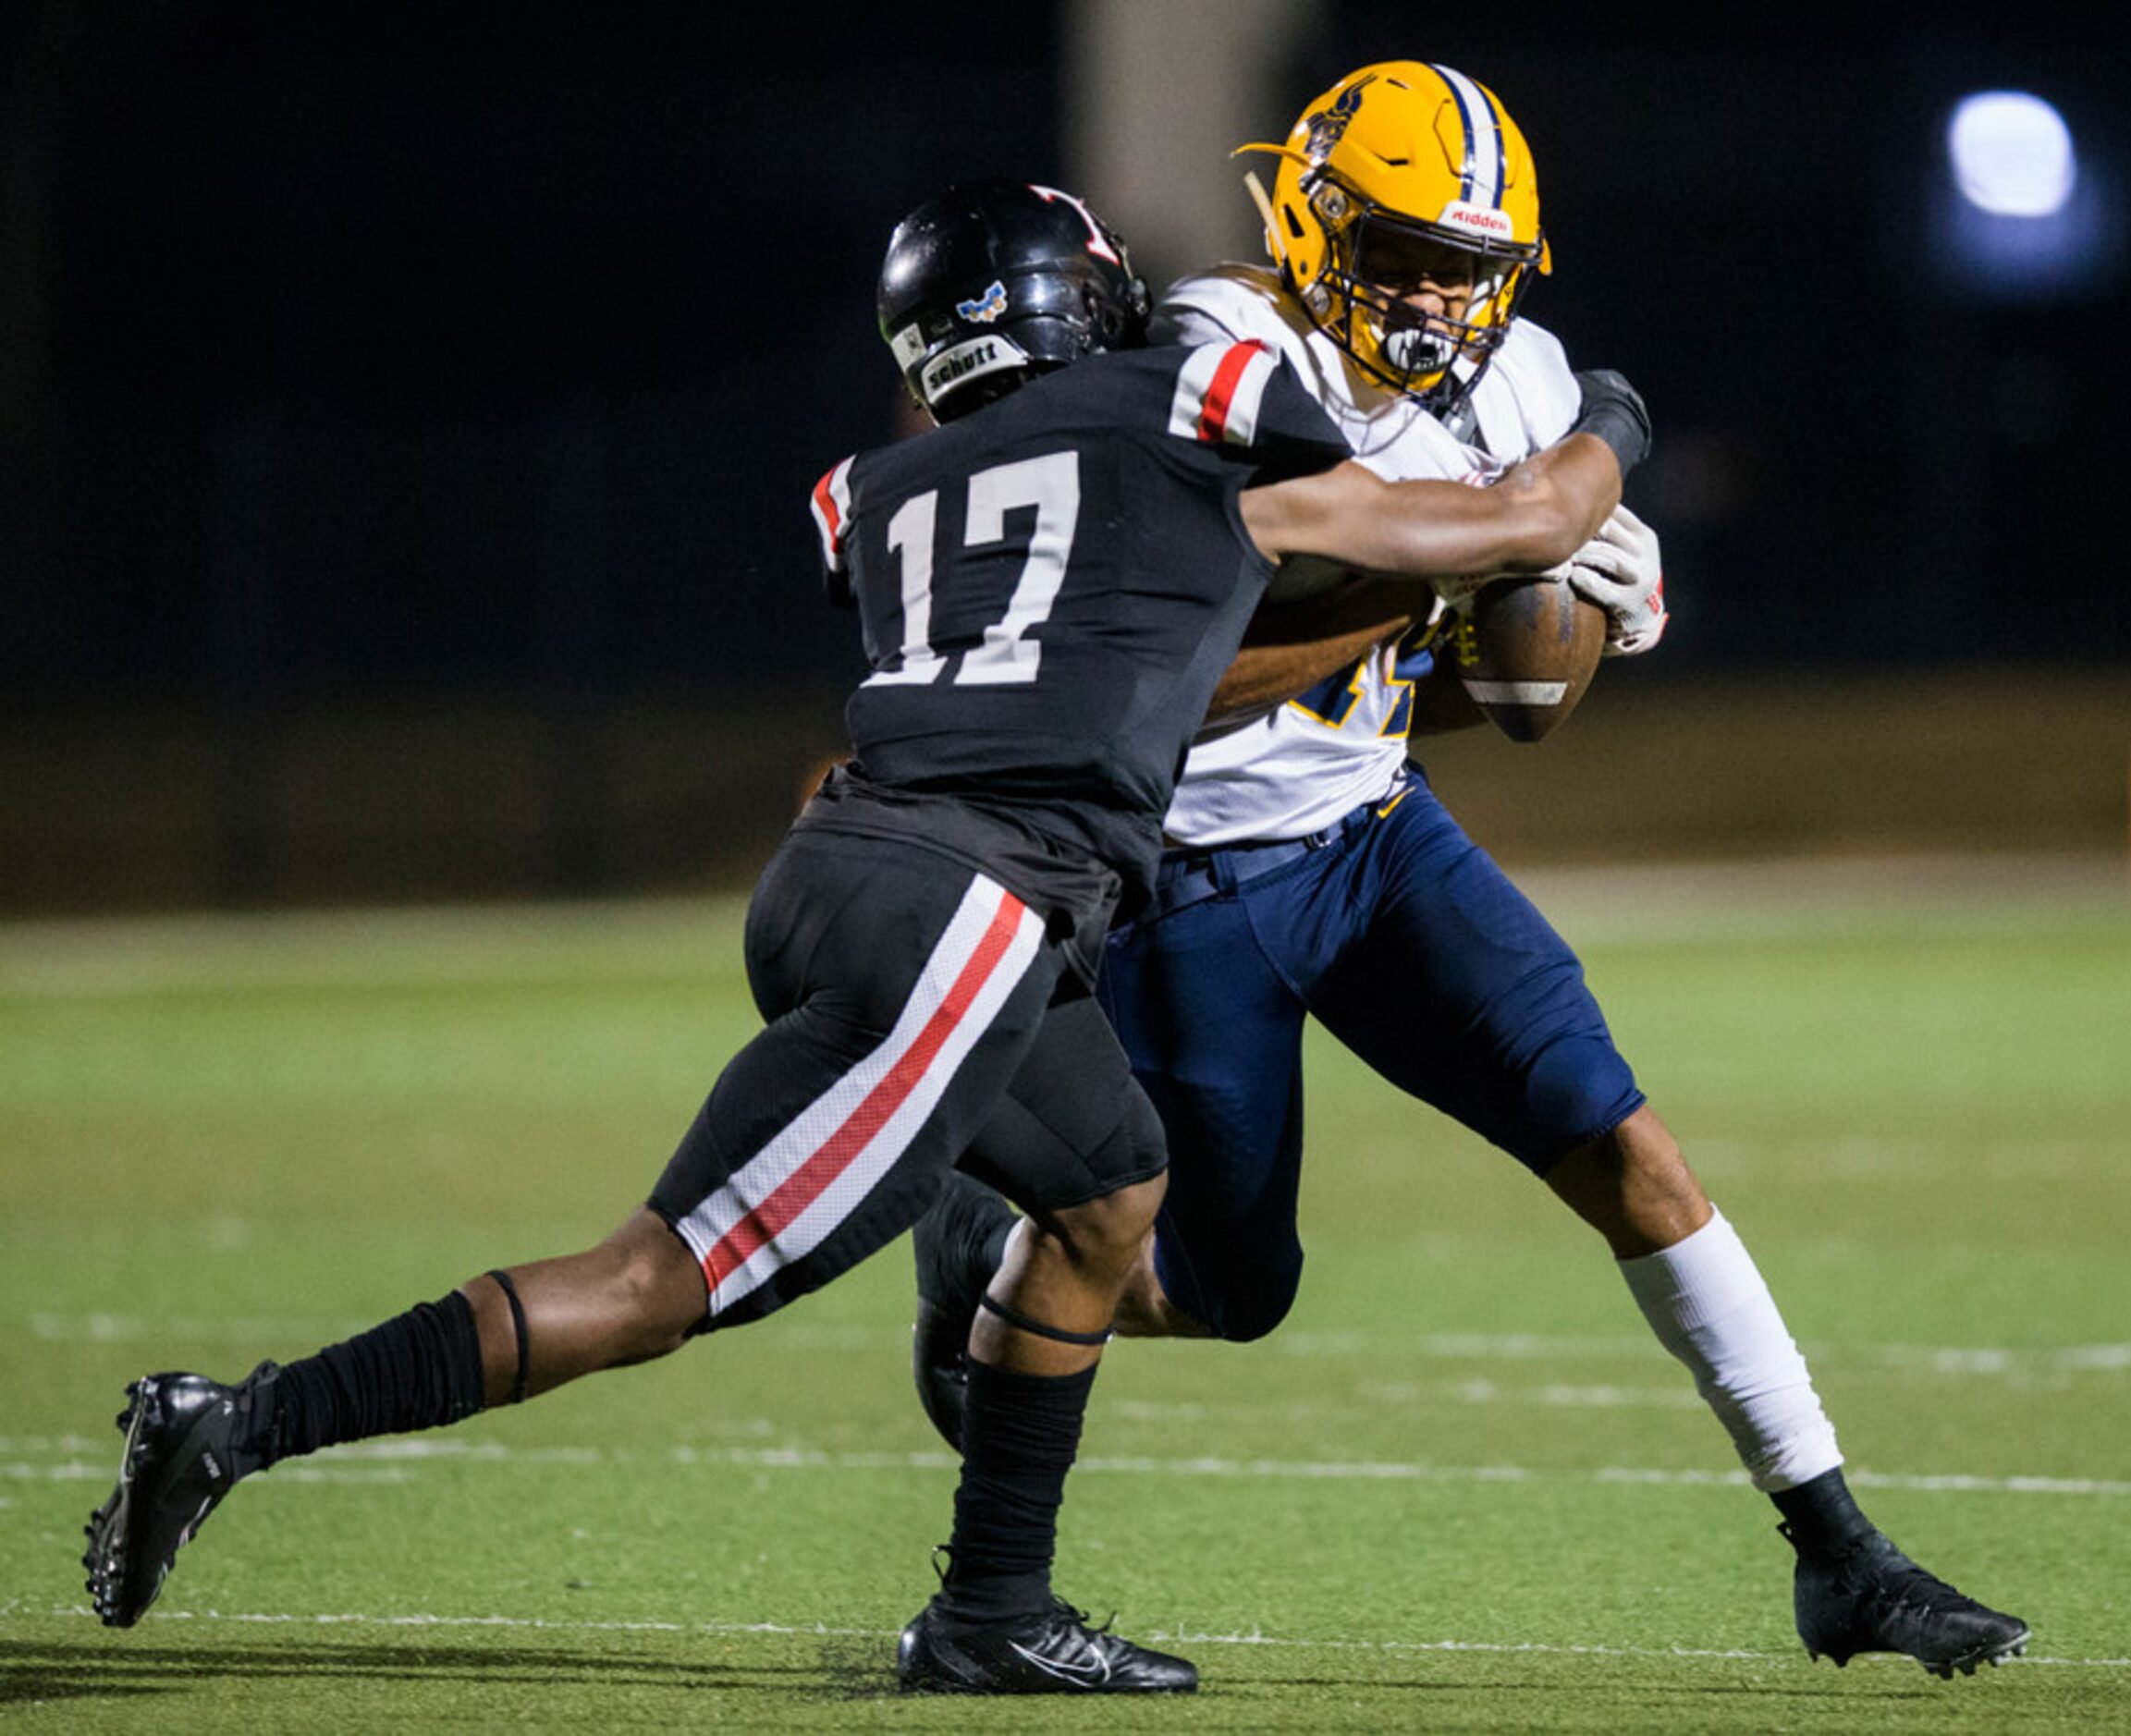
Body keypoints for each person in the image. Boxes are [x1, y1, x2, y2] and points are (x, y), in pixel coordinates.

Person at [80, 176, 1645, 1696]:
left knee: (1112, 1185)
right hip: (973, 908)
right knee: (653, 1280)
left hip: (854, 861)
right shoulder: (1181, 413)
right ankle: (235, 1422)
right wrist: (1613, 431)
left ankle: (991, 1611)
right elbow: (1515, 517)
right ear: (1076, 304)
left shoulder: (869, 491)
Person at [907, 65, 2032, 1681]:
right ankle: (982, 1237)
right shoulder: (1212, 357)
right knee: (1233, 1289)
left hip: (1373, 837)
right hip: (1190, 873)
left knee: (1627, 1146)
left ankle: (1840, 1547)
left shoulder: (1522, 382)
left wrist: (1553, 609)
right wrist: (1477, 562)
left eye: (1470, 262)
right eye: (1406, 249)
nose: (1443, 295)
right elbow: (1151, 680)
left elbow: (1514, 706)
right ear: (1312, 218)